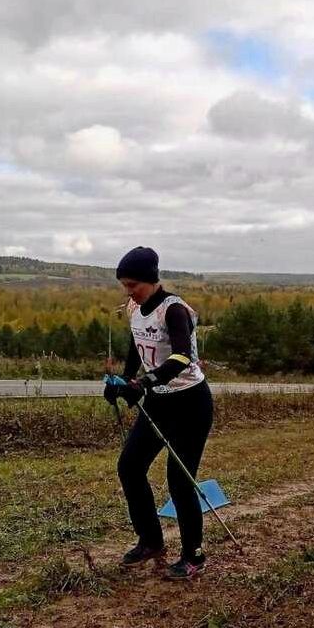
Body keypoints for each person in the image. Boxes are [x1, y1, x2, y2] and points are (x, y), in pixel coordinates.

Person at [103, 246, 213, 580]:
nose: (128, 291)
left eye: (133, 284)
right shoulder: (135, 310)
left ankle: (193, 555)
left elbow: (182, 358)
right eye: (124, 284)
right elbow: (136, 349)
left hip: (190, 402)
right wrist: (122, 382)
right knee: (130, 466)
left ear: (151, 280)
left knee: (179, 481)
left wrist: (145, 383)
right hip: (159, 402)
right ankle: (151, 540)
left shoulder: (173, 310)